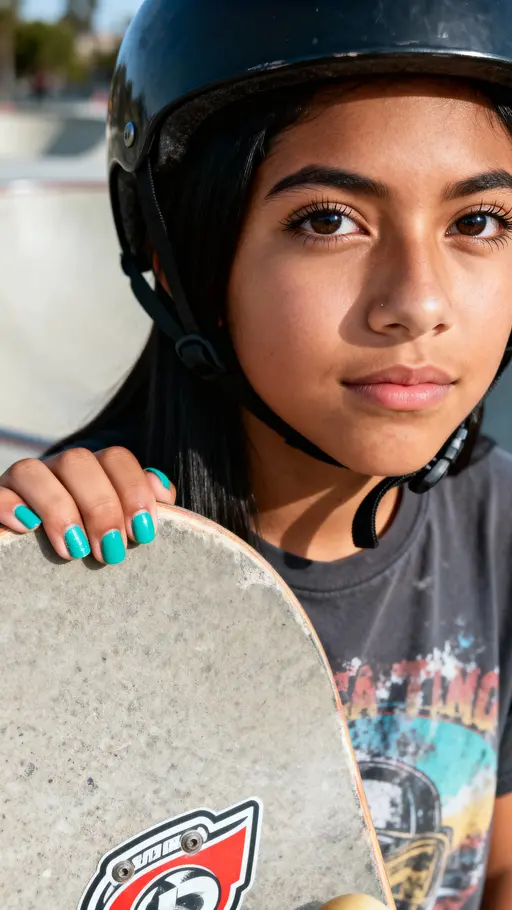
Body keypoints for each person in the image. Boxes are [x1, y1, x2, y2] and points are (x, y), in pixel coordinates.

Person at [2, 0, 512, 906]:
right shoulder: (83, 567)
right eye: (329, 220)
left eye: (477, 222)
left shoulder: (497, 522)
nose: (418, 301)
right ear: (178, 254)